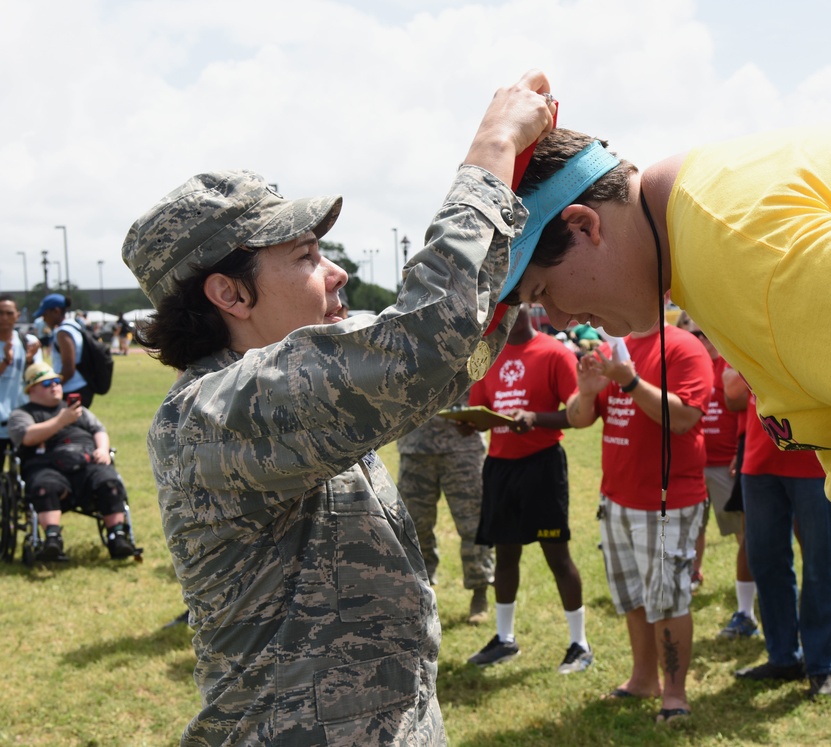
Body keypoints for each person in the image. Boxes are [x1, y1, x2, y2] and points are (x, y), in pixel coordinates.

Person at [502, 122, 831, 745]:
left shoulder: (738, 245)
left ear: (583, 225)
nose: (564, 320)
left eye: (545, 292)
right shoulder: (699, 218)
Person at [121, 70, 555, 746]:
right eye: (306, 255)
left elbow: (444, 370)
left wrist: (514, 244)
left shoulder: (276, 393)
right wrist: (493, 149)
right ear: (230, 296)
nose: (337, 272)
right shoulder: (215, 412)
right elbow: (419, 350)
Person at [566, 318, 712, 725]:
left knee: (667, 601)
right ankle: (644, 680)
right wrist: (587, 391)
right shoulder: (615, 348)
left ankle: (675, 694)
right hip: (616, 499)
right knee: (633, 598)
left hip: (667, 504)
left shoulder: (684, 348)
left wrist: (629, 381)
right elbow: (578, 418)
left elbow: (683, 418)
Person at [465, 304, 592, 674]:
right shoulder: (486, 357)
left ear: (528, 310)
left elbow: (577, 413)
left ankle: (579, 644)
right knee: (505, 556)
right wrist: (472, 423)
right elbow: (483, 410)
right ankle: (505, 639)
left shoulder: (554, 353)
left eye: (514, 307)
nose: (507, 315)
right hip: (501, 468)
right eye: (499, 309)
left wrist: (536, 418)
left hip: (542, 465)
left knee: (558, 557)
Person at [728, 381, 831, 698]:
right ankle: (783, 657)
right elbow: (733, 394)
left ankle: (821, 665)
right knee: (765, 561)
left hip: (815, 462)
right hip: (759, 460)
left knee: (822, 564)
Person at [676, 312, 758, 637]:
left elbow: (742, 410)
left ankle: (751, 587)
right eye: (694, 333)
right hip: (693, 463)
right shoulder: (684, 362)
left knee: (742, 529)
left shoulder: (728, 362)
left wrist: (742, 454)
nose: (702, 339)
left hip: (725, 462)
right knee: (694, 524)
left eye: (705, 331)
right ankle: (693, 574)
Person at [7, 362, 135, 561]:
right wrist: (61, 420)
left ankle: (117, 536)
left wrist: (102, 449)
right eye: (47, 383)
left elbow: (98, 430)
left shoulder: (76, 409)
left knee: (109, 483)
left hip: (87, 462)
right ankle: (52, 539)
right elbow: (27, 437)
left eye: (57, 381)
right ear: (31, 388)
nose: (55, 386)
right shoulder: (22, 414)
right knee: (44, 487)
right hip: (46, 466)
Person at [396, 392, 494, 624]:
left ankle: (480, 592)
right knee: (414, 526)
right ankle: (421, 592)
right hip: (415, 445)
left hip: (463, 446)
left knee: (473, 523)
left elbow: (487, 385)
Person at [0, 295, 40, 468]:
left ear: (17, 315)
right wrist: (6, 361)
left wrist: (30, 360)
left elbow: (37, 380)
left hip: (22, 419)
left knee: (28, 472)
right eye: (0, 313)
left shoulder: (28, 343)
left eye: (9, 313)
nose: (4, 318)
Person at [34, 293, 93, 407]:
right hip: (80, 386)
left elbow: (68, 369)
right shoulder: (73, 325)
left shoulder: (63, 332)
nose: (44, 318)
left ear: (56, 311)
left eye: (45, 314)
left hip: (72, 389)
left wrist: (52, 386)